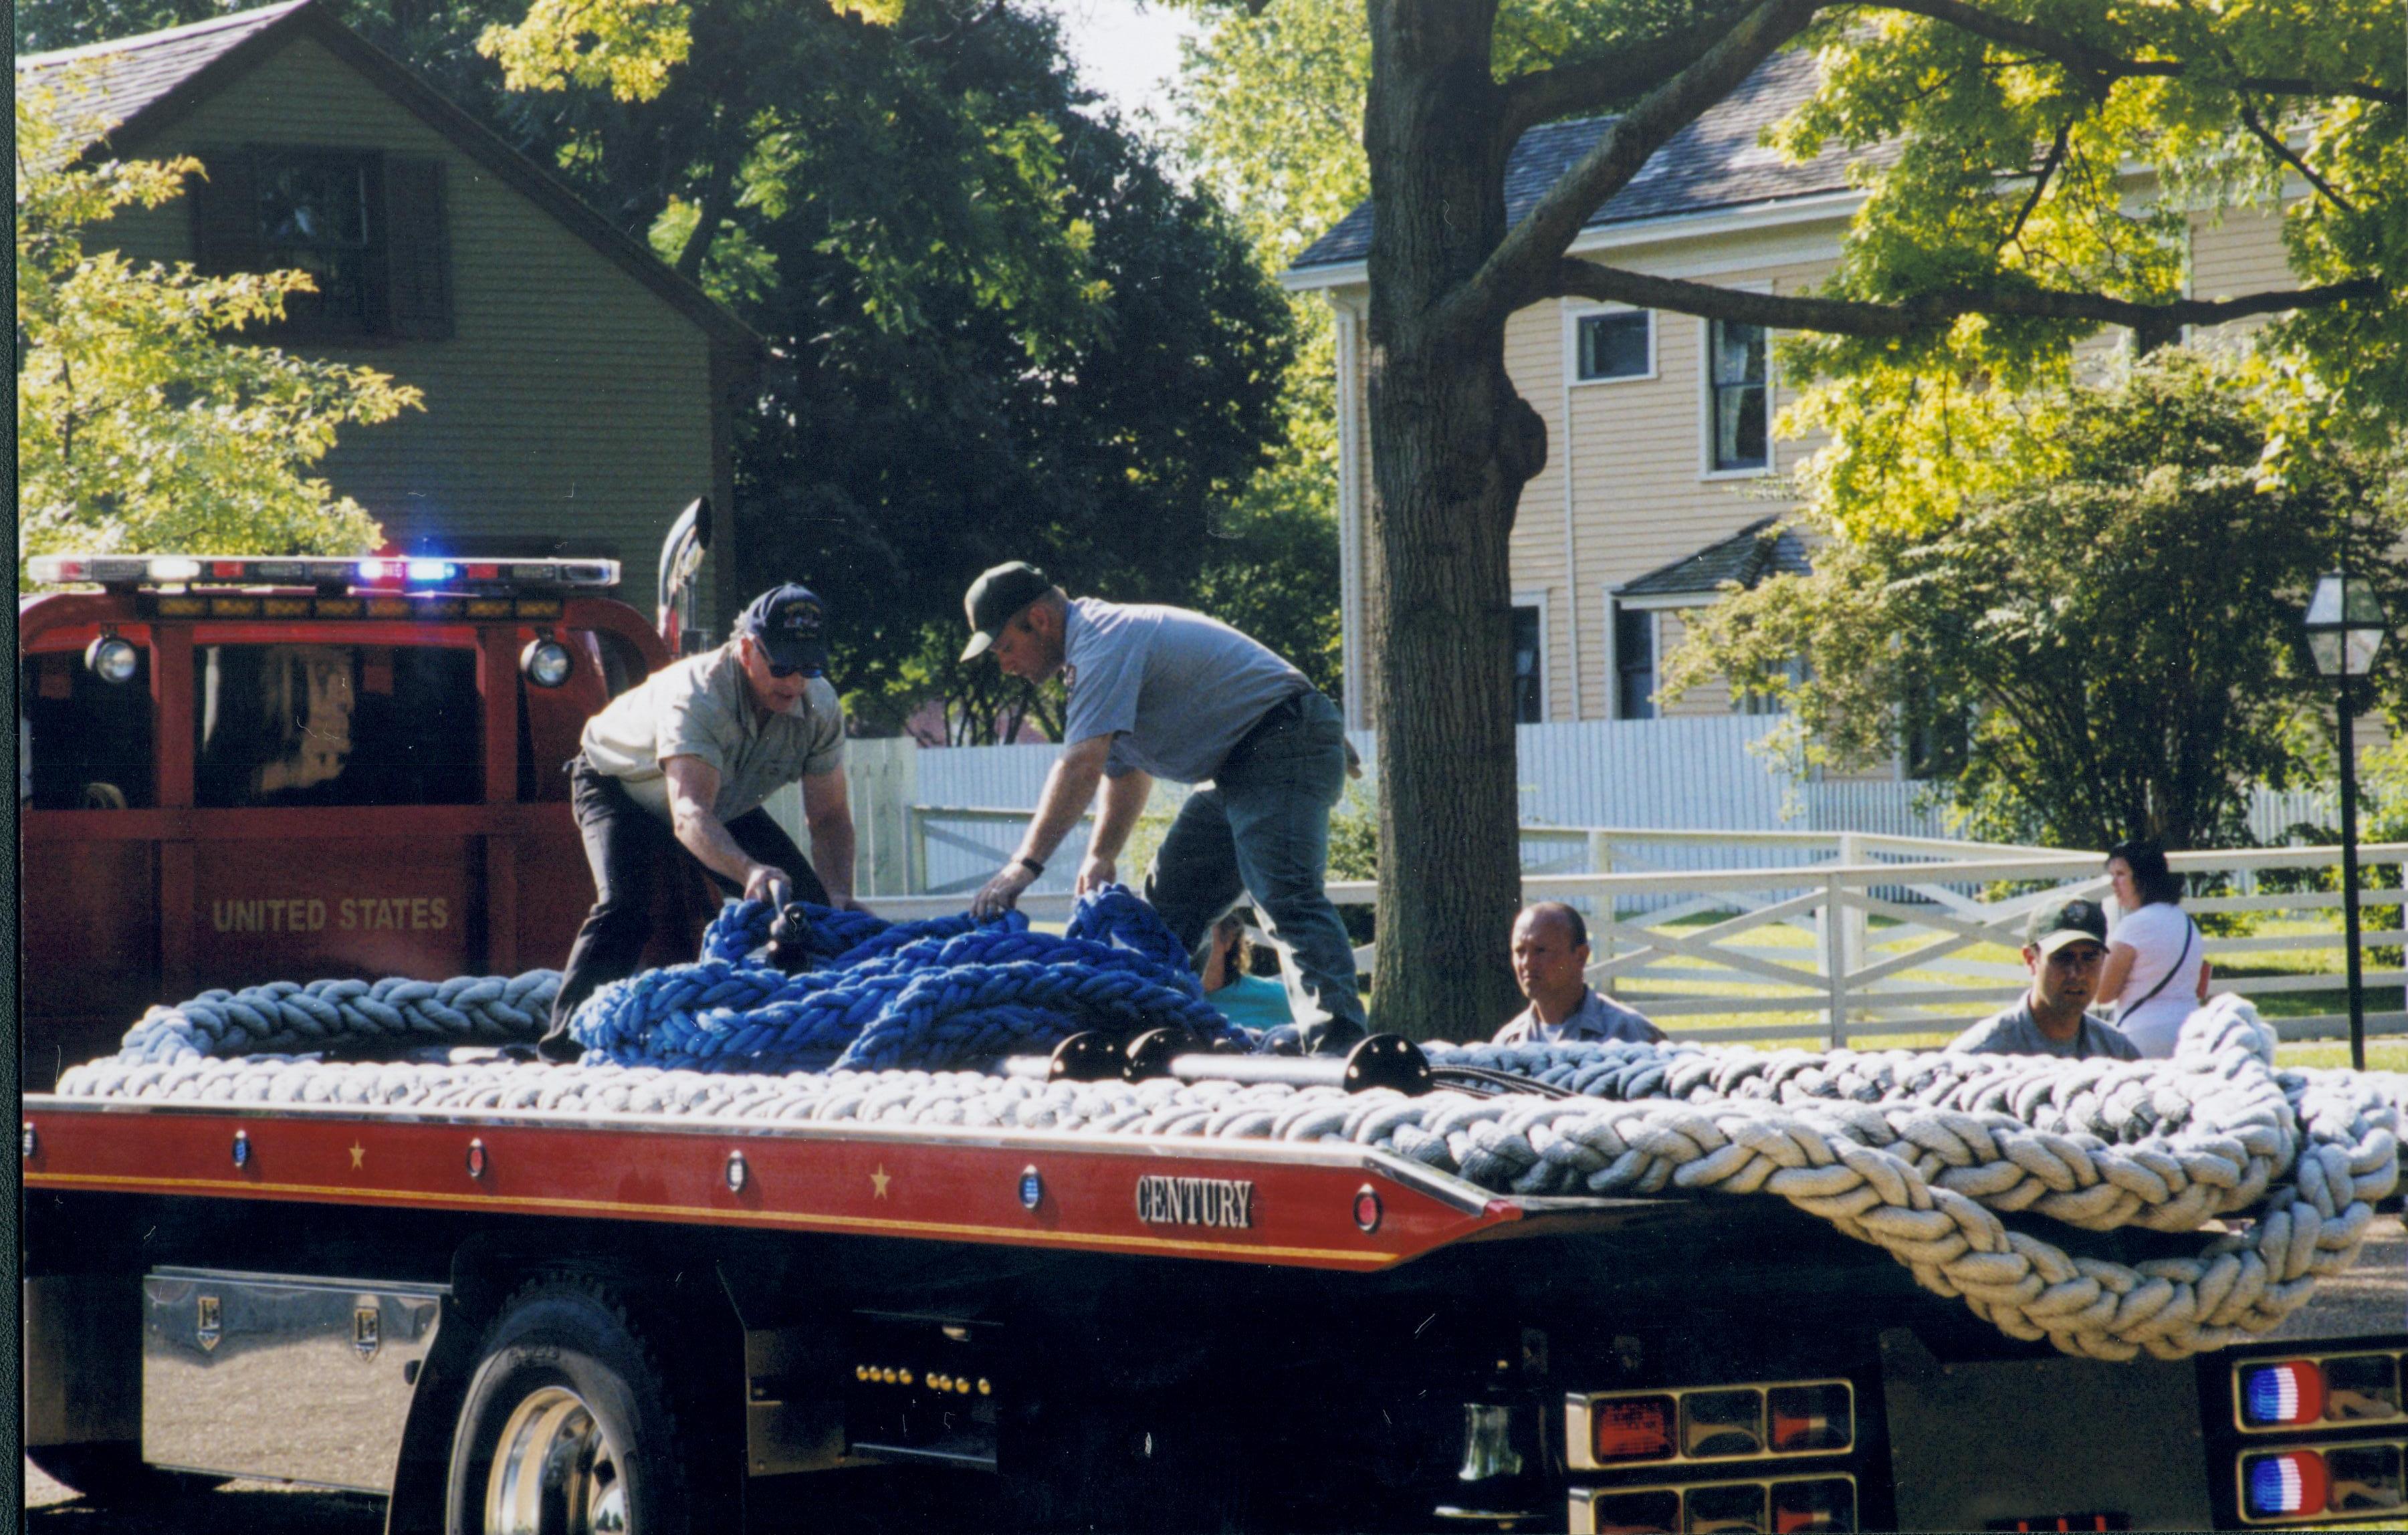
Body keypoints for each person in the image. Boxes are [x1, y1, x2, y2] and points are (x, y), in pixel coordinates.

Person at [959, 561, 1368, 1054]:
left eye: (1005, 647)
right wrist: (1101, 855)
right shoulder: (1092, 654)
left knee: (1283, 894)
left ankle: (1339, 1044)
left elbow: (1079, 765)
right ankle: (1166, 1033)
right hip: (1240, 763)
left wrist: (1023, 866)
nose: (1004, 665)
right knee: (1164, 910)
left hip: (1281, 740)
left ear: (1040, 620)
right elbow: (1123, 768)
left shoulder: (1103, 642)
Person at [538, 585, 856, 1060]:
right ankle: (563, 1050)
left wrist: (838, 897)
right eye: (782, 667)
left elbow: (829, 818)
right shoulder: (699, 694)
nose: (794, 683)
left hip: (720, 796)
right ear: (747, 649)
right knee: (625, 907)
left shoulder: (820, 707)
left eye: (808, 668)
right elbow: (688, 814)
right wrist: (749, 871)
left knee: (808, 912)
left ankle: (808, 1030)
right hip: (619, 784)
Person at [1945, 897, 2140, 1060]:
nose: (2077, 973)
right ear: (2031, 959)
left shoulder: (2116, 1052)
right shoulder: (1983, 1054)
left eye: (2090, 957)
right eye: (2063, 957)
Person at [2096, 838, 2209, 1059]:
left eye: (2120, 875)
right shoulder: (2187, 922)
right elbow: (2200, 985)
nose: (2113, 884)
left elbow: (2103, 994)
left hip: (2142, 1036)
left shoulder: (2133, 926)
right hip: (2191, 1032)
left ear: (2142, 878)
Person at [1493, 902, 1664, 1046]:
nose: (1527, 963)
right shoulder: (1508, 1044)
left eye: (1541, 951)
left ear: (1580, 957)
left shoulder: (1631, 1034)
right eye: (1520, 951)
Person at [1200, 913, 1295, 1031]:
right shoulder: (1171, 1005)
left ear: (1229, 938)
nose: (1189, 941)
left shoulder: (1281, 1000)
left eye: (1200, 927)